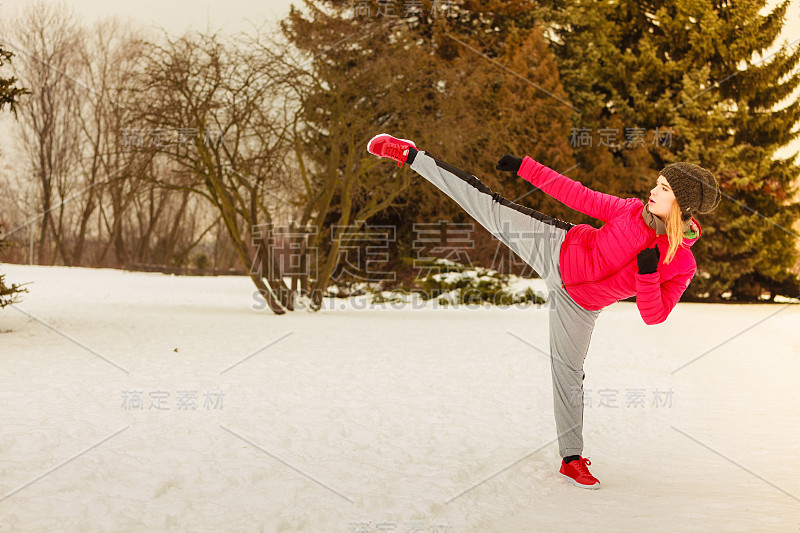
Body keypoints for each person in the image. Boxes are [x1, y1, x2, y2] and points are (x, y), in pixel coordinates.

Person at [367, 133, 722, 489]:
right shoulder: (628, 210)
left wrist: (647, 275)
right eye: (657, 183)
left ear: (682, 204)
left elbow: (654, 314)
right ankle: (412, 156)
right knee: (490, 207)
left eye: (663, 188)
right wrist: (526, 167)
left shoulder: (681, 263)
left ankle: (571, 459)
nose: (654, 191)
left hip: (581, 307)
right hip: (557, 249)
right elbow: (576, 193)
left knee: (568, 375)